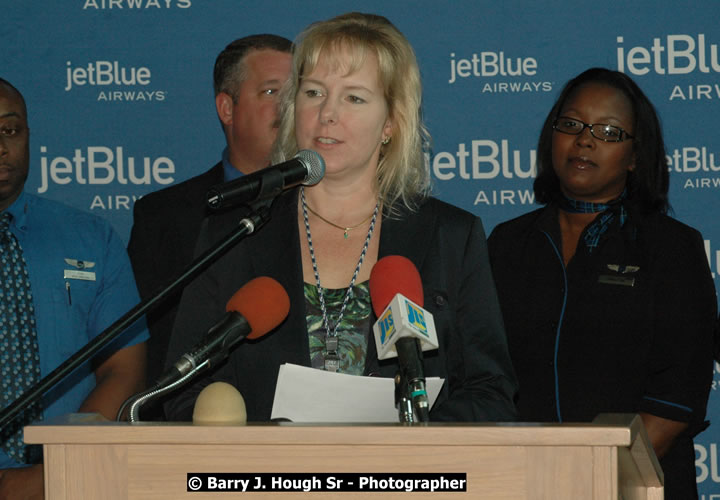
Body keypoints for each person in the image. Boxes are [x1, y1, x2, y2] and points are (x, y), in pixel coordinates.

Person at [164, 12, 517, 423]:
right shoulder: (237, 233)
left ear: (390, 122)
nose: (327, 113)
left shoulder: (451, 236)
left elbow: (491, 394)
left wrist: (406, 445)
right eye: (313, 92)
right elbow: (182, 391)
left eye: (354, 97)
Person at [487, 67, 716, 499]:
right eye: (572, 124)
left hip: (634, 485)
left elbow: (674, 401)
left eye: (608, 131)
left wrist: (582, 482)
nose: (585, 139)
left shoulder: (671, 249)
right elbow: (484, 378)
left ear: (634, 156)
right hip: (524, 484)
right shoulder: (507, 244)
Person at [0, 72, 147, 500]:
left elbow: (123, 368)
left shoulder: (90, 237)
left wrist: (62, 467)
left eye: (10, 130)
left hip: (76, 481)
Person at [127, 34, 292, 391]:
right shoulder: (163, 217)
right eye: (271, 92)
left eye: (300, 94)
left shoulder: (330, 211)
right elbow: (148, 350)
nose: (289, 108)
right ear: (227, 108)